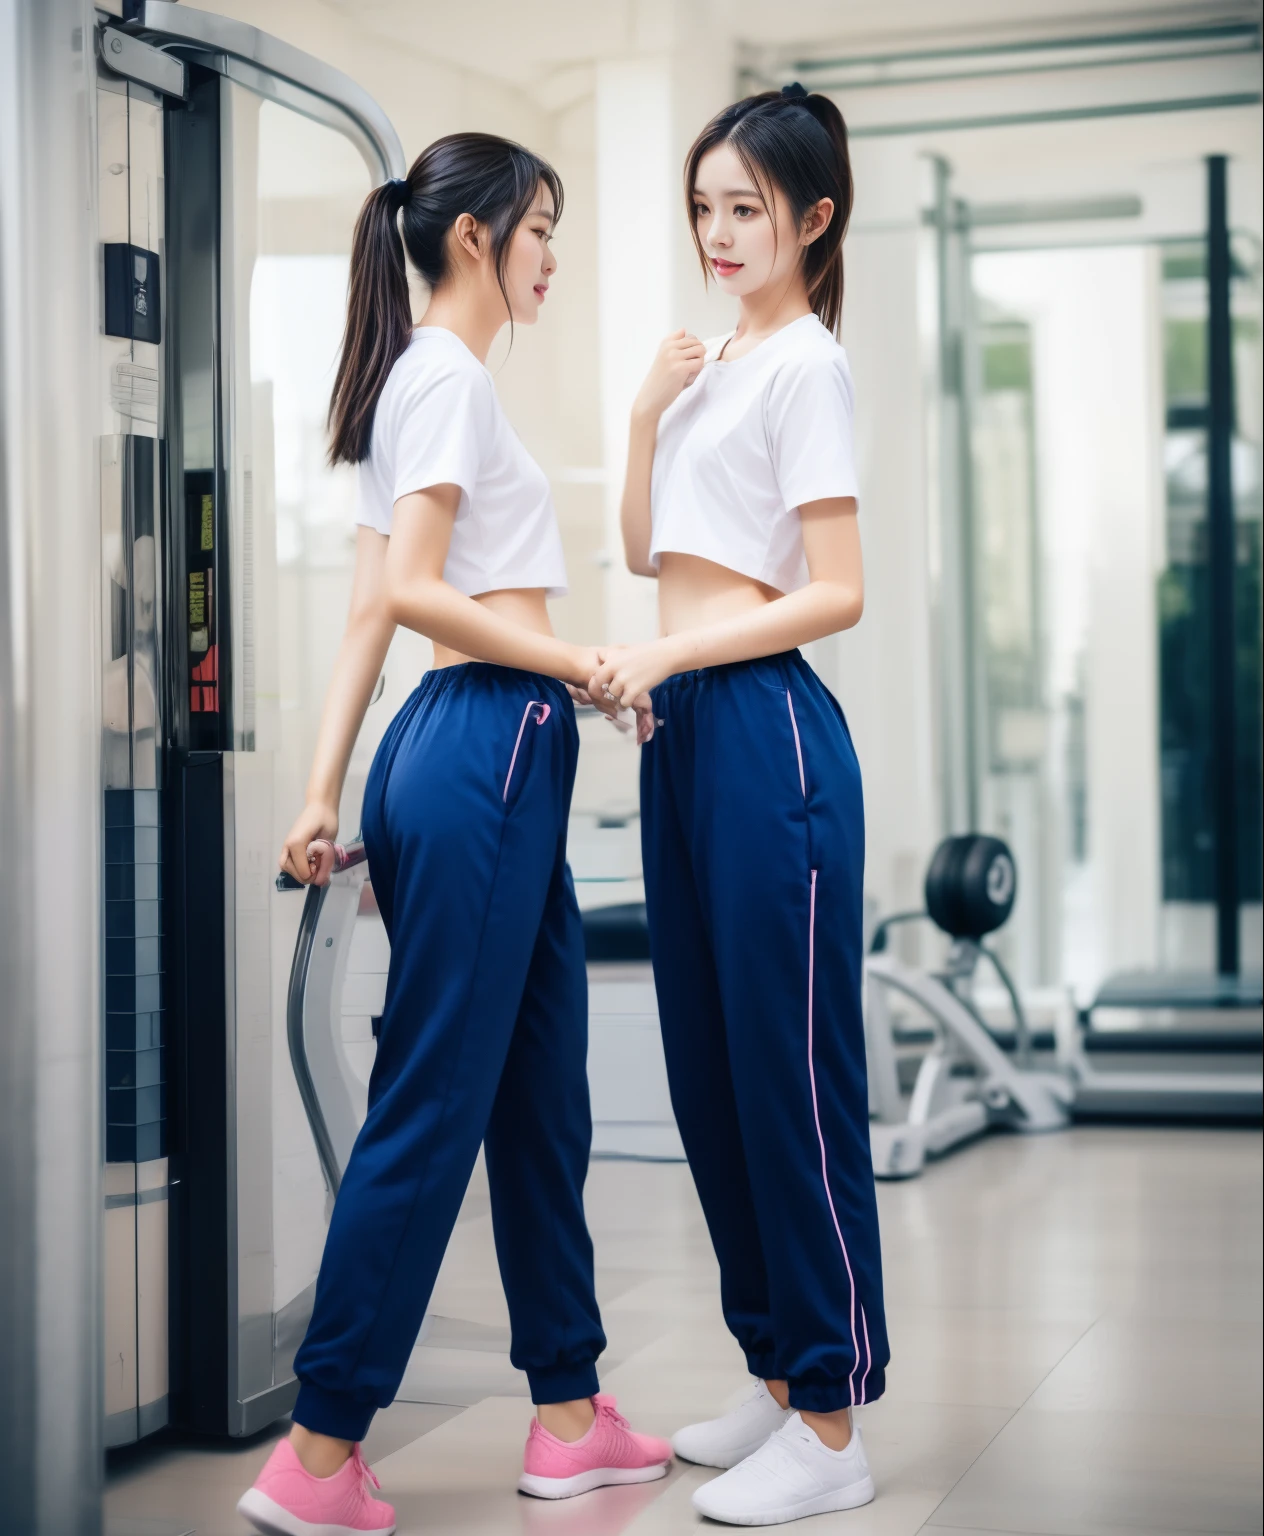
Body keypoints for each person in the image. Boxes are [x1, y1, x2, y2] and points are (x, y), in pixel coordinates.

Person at [237, 132, 670, 1536]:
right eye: (543, 226)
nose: (553, 253)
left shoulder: (423, 387)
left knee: (541, 1100)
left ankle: (566, 1411)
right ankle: (317, 1448)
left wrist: (322, 789)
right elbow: (420, 594)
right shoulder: (442, 379)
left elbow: (378, 603)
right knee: (433, 1100)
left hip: (468, 748)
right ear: (477, 236)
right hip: (485, 746)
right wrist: (583, 661)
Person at [590, 83, 888, 1527]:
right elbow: (649, 547)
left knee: (788, 1087)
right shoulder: (718, 366)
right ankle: (775, 1382)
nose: (717, 232)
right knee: (710, 1080)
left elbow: (833, 590)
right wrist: (648, 413)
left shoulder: (808, 367)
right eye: (702, 206)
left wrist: (668, 652)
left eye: (745, 209)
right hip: (688, 723)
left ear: (812, 218)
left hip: (766, 727)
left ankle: (833, 1429)